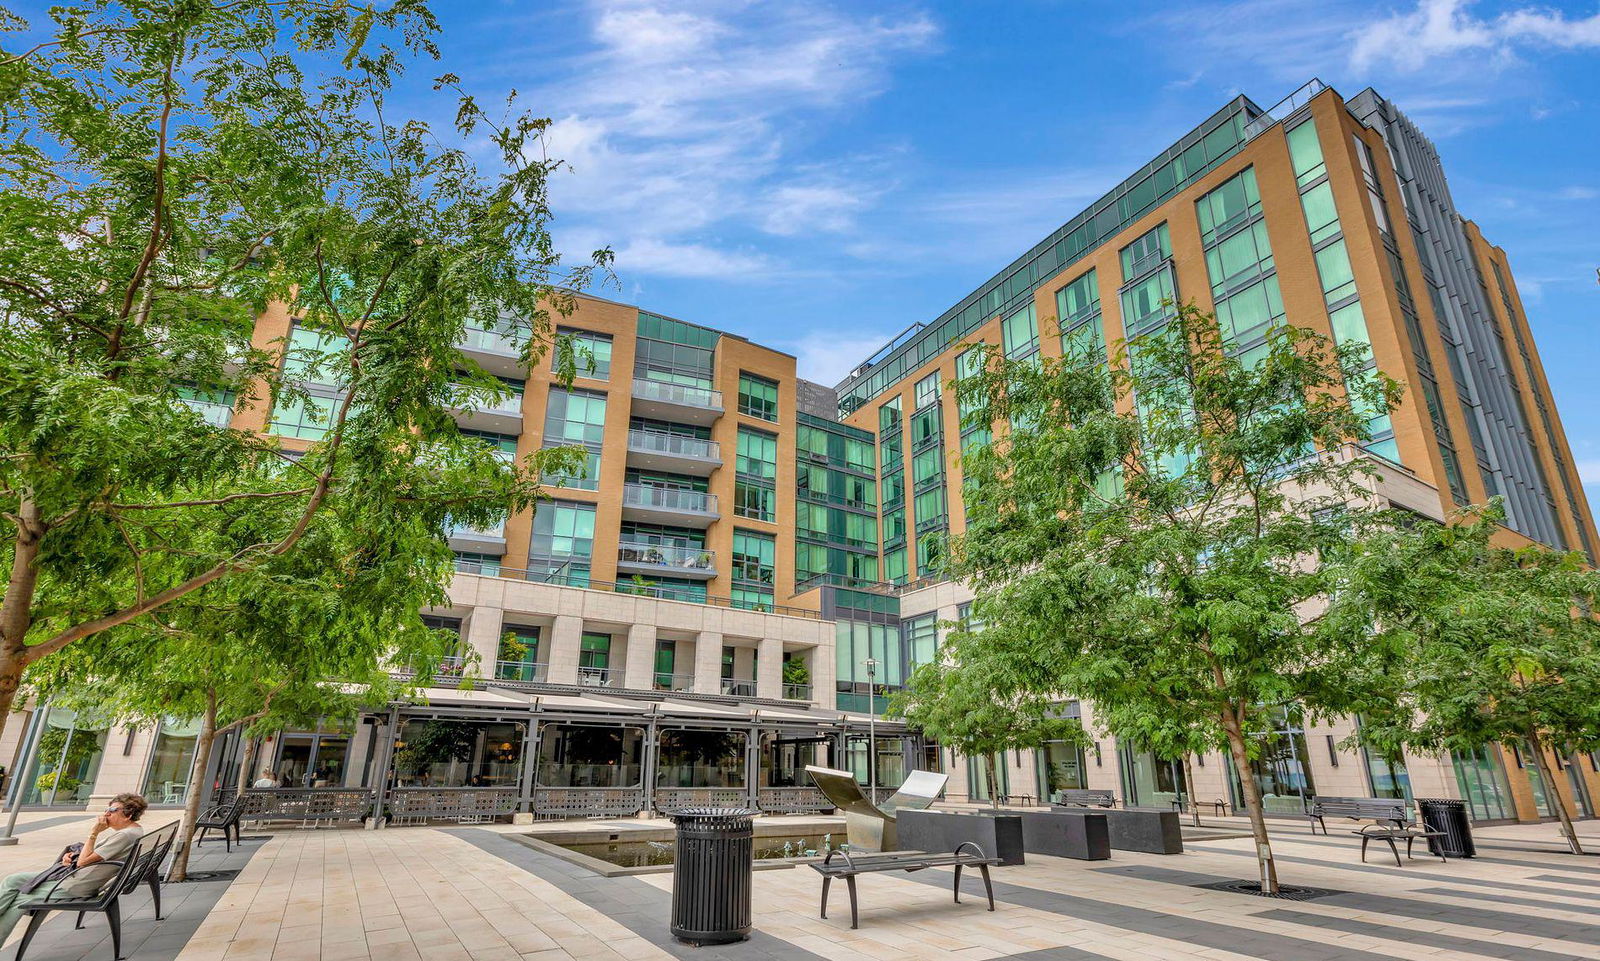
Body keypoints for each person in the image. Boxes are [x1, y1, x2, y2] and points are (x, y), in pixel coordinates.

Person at [0, 793, 148, 940]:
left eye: (113, 810)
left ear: (128, 815)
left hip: (76, 885)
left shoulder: (124, 835)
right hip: (77, 878)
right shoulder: (134, 831)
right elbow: (90, 858)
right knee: (11, 880)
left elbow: (83, 862)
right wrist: (73, 856)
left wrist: (94, 833)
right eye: (106, 809)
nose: (106, 814)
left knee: (20, 898)